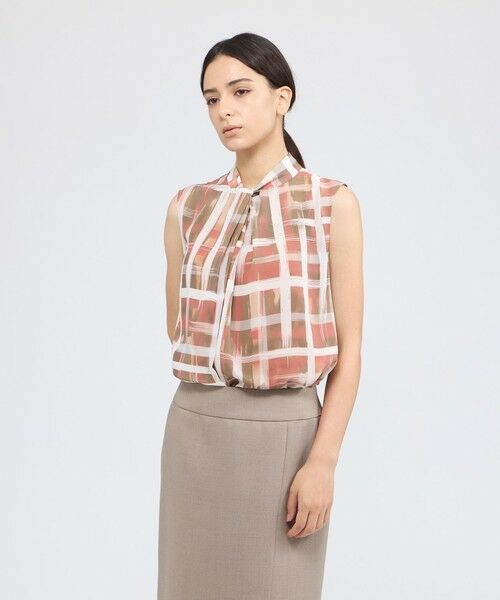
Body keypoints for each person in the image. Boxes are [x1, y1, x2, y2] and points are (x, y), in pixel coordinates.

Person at [158, 32, 363, 600]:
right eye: (212, 99)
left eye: (240, 91)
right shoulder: (187, 207)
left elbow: (350, 354)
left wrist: (322, 463)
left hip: (285, 439)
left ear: (282, 98)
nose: (224, 110)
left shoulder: (330, 203)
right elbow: (180, 329)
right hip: (193, 432)